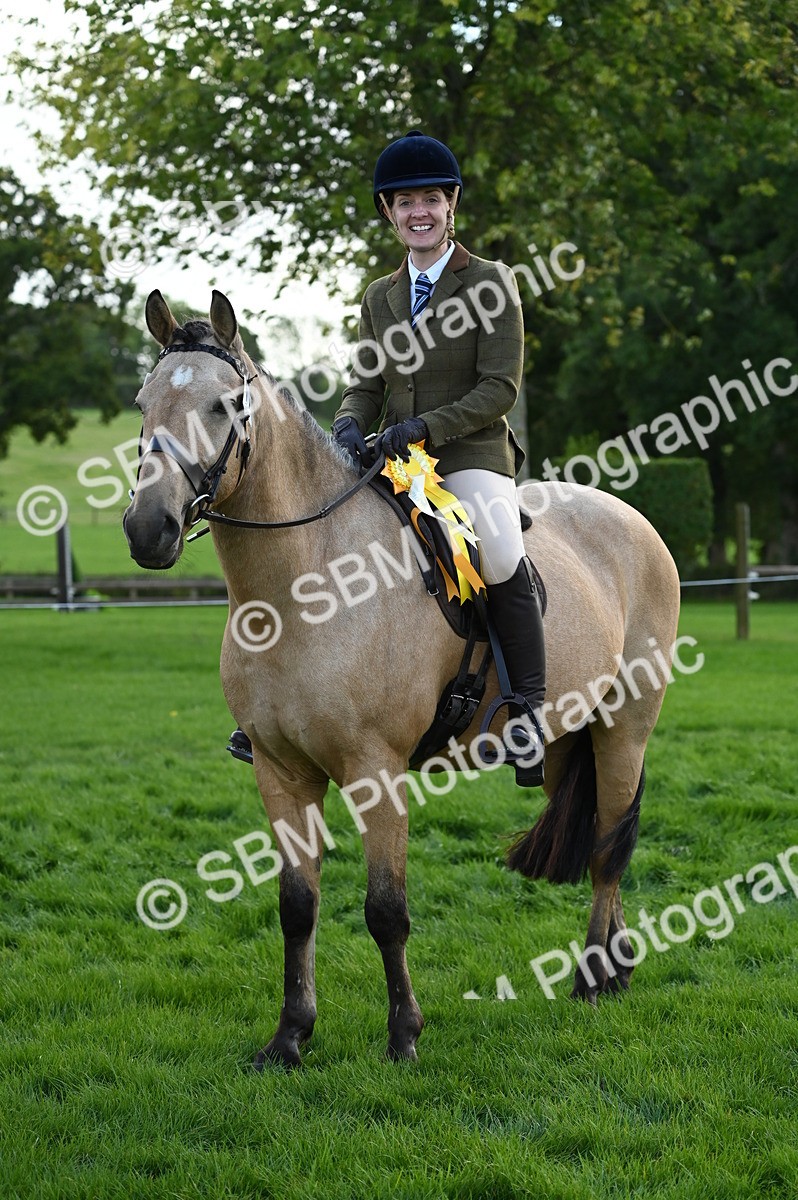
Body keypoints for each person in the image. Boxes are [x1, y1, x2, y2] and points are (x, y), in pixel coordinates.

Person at [330, 130, 547, 787]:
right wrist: (347, 422)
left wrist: (426, 426)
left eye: (429, 199)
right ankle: (296, 706)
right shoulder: (379, 296)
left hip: (470, 454)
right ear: (389, 213)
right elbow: (367, 383)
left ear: (451, 205)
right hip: (397, 458)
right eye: (404, 203)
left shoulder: (490, 282)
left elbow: (499, 388)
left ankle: (527, 713)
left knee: (499, 552)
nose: (417, 212)